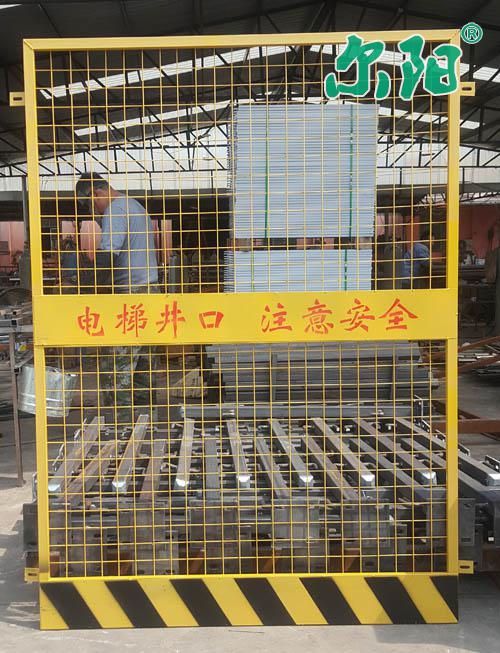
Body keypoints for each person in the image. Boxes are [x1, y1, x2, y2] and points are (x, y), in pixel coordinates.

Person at [75, 172, 159, 424]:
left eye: (91, 206)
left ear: (96, 193)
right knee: (143, 364)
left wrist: (86, 288)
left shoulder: (115, 210)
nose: (95, 214)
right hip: (150, 292)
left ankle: (121, 425)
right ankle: (147, 421)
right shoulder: (136, 206)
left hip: (131, 296)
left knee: (116, 366)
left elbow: (107, 256)